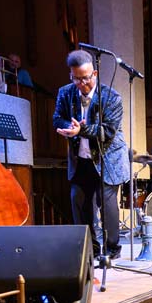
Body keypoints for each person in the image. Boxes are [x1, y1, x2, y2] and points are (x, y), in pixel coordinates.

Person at [54, 49, 129, 259]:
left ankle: (112, 249)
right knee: (78, 201)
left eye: (86, 78)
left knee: (106, 204)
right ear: (71, 75)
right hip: (81, 159)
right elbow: (57, 118)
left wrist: (81, 130)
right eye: (76, 78)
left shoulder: (111, 97)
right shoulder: (65, 93)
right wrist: (69, 126)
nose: (82, 83)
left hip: (107, 159)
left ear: (94, 74)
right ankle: (90, 249)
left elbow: (108, 131)